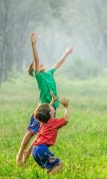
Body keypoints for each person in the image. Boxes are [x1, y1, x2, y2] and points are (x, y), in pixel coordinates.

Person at [16, 32, 73, 165]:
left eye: (40, 64)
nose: (40, 64)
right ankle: (21, 152)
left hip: (52, 107)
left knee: (42, 132)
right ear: (34, 70)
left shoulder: (49, 73)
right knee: (31, 131)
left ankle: (28, 154)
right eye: (37, 65)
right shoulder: (39, 76)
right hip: (42, 109)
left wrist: (66, 53)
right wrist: (33, 44)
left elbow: (58, 63)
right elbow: (36, 60)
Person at [31, 97, 70, 175]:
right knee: (59, 164)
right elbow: (66, 120)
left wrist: (52, 101)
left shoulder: (42, 121)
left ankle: (48, 174)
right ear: (49, 113)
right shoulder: (52, 122)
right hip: (42, 150)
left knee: (50, 167)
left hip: (34, 149)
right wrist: (66, 107)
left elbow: (44, 111)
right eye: (51, 108)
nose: (53, 108)